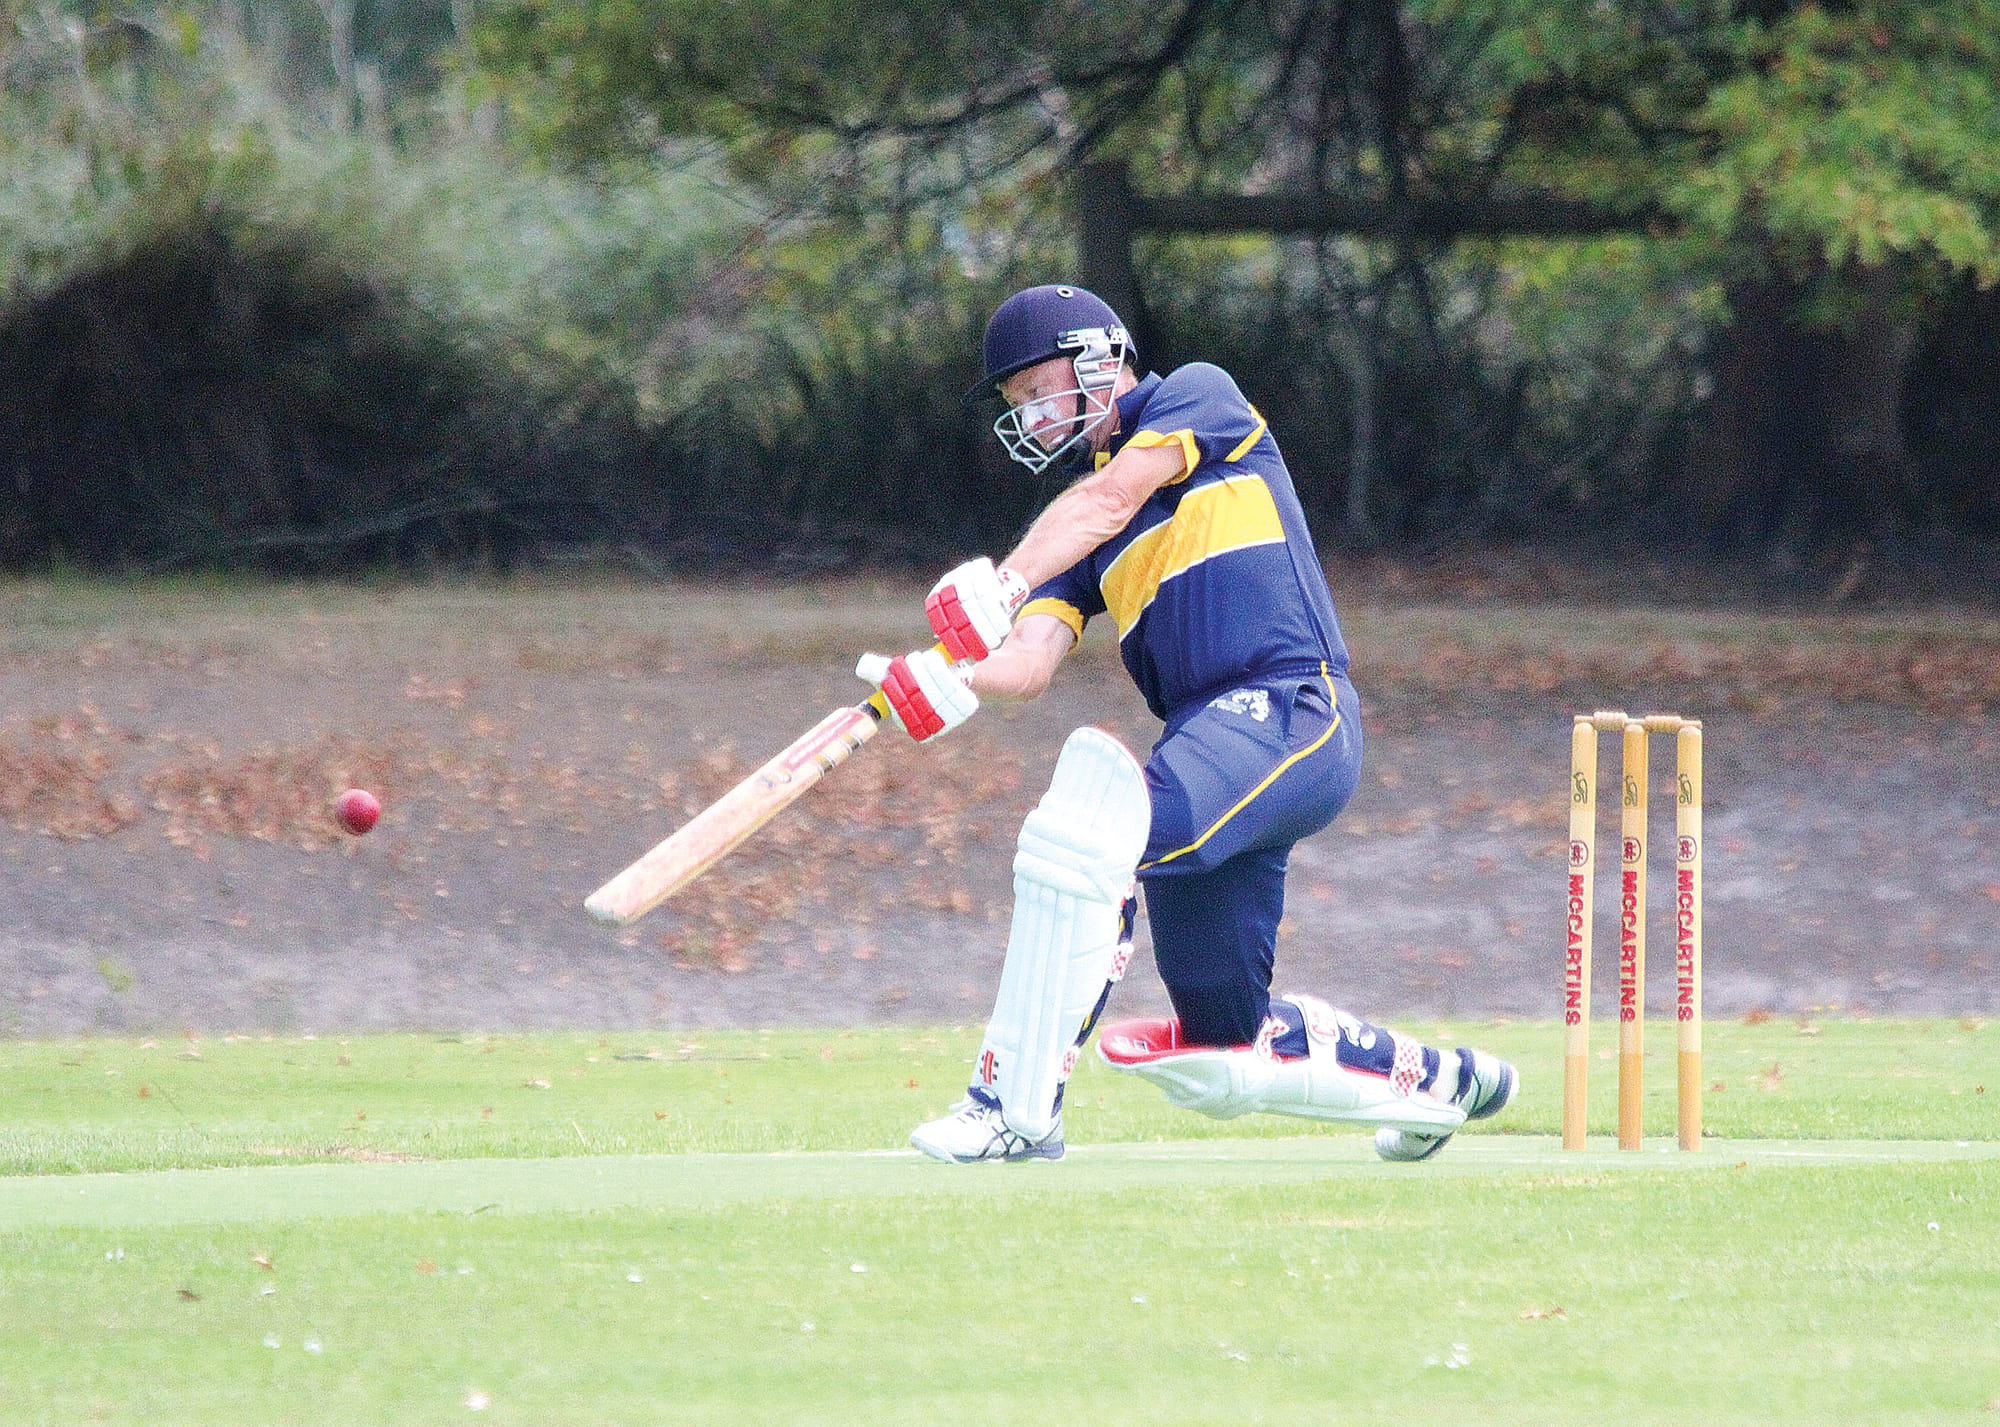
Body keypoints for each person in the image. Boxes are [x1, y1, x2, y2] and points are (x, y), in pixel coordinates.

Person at [857, 283, 1516, 1164]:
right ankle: (1441, 1083)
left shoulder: (1193, 397)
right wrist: (948, 677)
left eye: (1032, 386)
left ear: (1098, 355)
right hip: (1210, 745)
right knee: (1224, 1053)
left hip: (1293, 708)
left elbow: (1111, 500)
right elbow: (1029, 662)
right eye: (1014, 405)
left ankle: (1010, 1105)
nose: (1028, 412)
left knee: (1088, 835)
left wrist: (1004, 579)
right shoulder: (1074, 541)